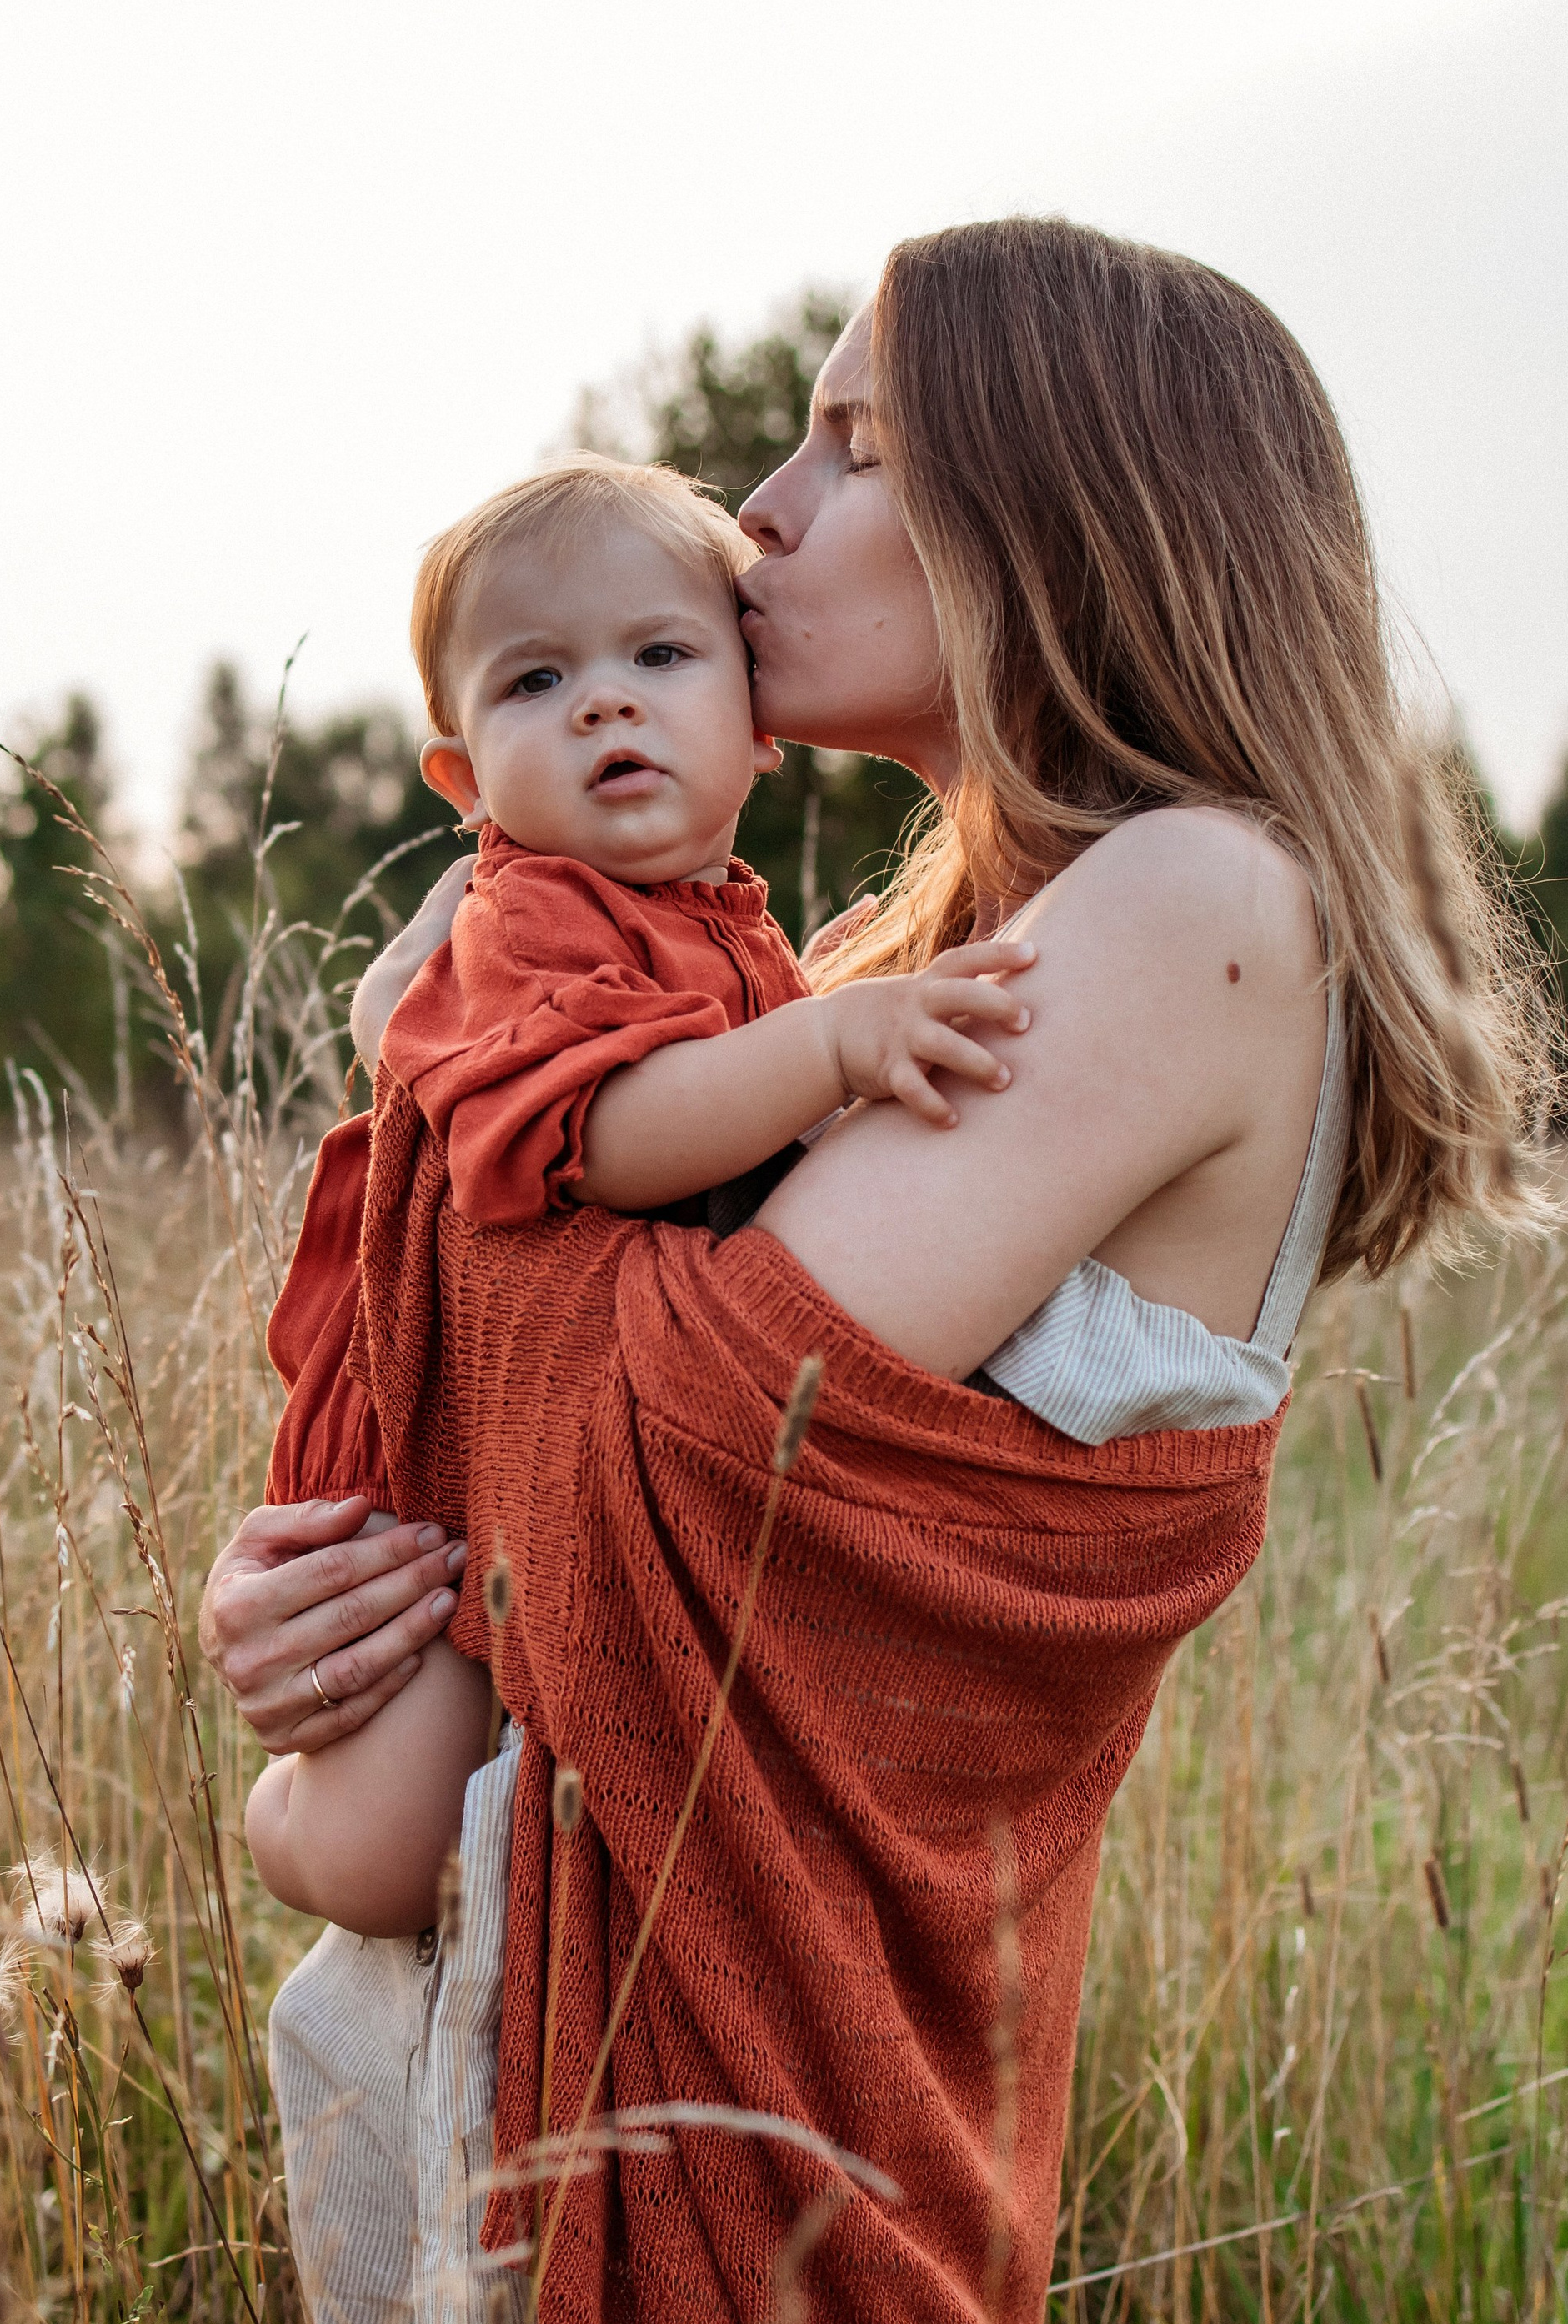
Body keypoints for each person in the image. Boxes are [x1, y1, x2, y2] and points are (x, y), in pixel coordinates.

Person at [199, 219, 1550, 2324]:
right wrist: (319, 1583)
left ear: (1054, 506)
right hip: (583, 1998)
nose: (769, 509)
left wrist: (462, 1059)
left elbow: (672, 1430)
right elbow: (540, 1435)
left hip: (792, 2083)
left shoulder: (1191, 897)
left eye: (842, 449)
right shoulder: (885, 966)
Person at [246, 450, 1038, 1940]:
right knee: (386, 1861)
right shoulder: (522, 914)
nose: (605, 701)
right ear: (471, 783)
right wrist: (830, 1039)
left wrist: (812, 999)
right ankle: (281, 1815)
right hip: (440, 1475)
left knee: (536, 1804)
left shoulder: (725, 926)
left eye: (661, 656)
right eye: (535, 681)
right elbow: (603, 1135)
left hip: (578, 1473)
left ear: (756, 728)